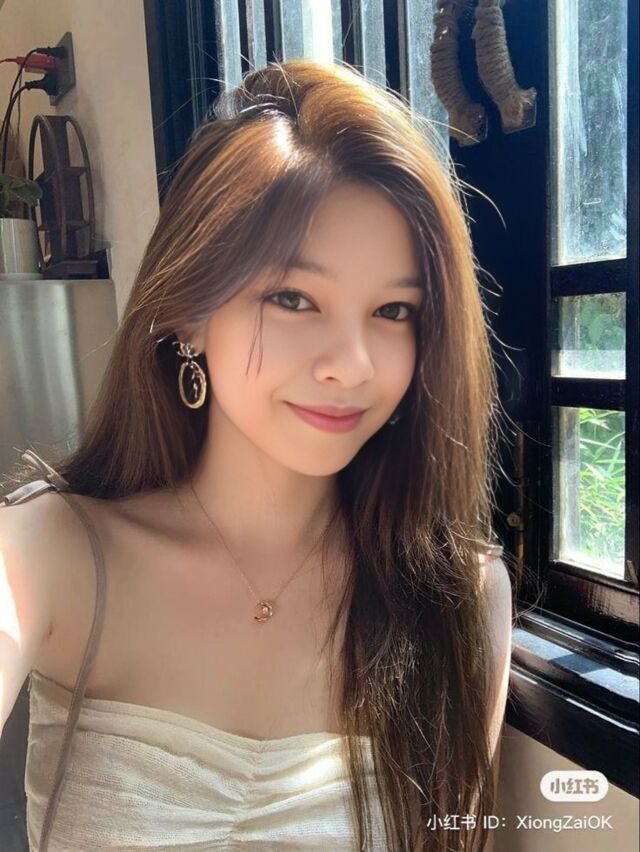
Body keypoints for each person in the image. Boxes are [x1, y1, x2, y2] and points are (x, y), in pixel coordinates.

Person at [1, 59, 512, 851]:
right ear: (188, 311)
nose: (353, 365)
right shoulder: (50, 551)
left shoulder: (460, 598)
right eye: (293, 298)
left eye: (393, 311)